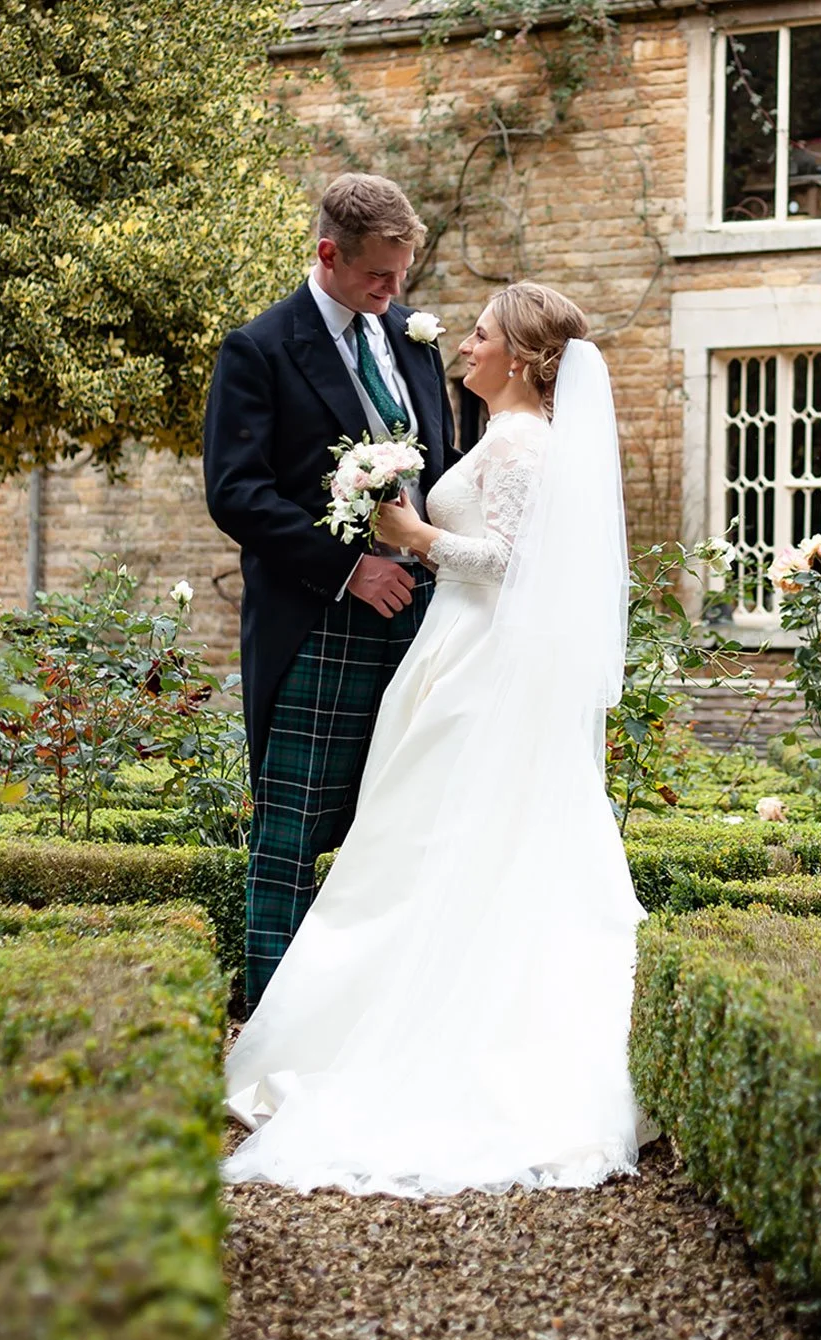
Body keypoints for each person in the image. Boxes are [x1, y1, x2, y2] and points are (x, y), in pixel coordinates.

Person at [223, 282, 654, 1198]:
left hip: (482, 665)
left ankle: (430, 1041)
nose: (465, 345)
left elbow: (511, 563)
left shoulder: (526, 444)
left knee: (443, 846)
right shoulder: (505, 438)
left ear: (524, 358)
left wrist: (415, 534)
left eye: (483, 335)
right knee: (427, 848)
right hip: (458, 651)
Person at [203, 174, 459, 1013]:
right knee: (293, 825)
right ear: (327, 255)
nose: (393, 295)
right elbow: (237, 493)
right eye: (378, 278)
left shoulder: (413, 343)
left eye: (402, 276)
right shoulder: (261, 349)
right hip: (322, 617)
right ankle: (277, 1014)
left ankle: (375, 1007)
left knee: (404, 816)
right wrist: (350, 568)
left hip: (426, 616)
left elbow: (444, 473)